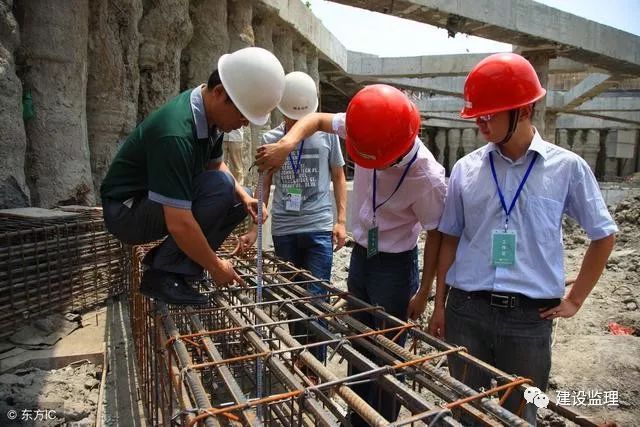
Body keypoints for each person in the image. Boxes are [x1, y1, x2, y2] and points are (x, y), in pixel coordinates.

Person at [427, 53, 617, 424]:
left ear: (525, 110)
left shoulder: (567, 168)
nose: (481, 122)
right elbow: (449, 238)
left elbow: (603, 234)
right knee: (466, 414)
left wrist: (576, 298)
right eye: (477, 114)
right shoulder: (466, 170)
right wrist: (439, 305)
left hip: (529, 321)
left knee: (520, 416)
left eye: (490, 114)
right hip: (467, 312)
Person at [255, 84, 446, 425]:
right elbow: (313, 120)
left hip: (394, 267)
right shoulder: (368, 123)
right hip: (363, 255)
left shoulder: (427, 177)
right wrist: (287, 144)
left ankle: (379, 420)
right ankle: (356, 416)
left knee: (388, 354)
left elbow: (437, 235)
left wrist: (424, 290)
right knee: (358, 340)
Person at [100, 47, 285, 305]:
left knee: (233, 197)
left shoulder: (211, 119)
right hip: (127, 212)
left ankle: (177, 269)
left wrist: (245, 198)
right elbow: (179, 222)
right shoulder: (176, 133)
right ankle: (163, 275)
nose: (244, 123)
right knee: (221, 188)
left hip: (150, 203)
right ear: (219, 93)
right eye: (243, 114)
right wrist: (217, 267)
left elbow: (215, 166)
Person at [234, 71, 347, 362]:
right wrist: (253, 229)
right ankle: (300, 359)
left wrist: (341, 221)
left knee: (316, 298)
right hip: (285, 229)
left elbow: (337, 174)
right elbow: (264, 181)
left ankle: (316, 364)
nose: (297, 123)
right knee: (293, 299)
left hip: (319, 226)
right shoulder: (272, 138)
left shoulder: (327, 135)